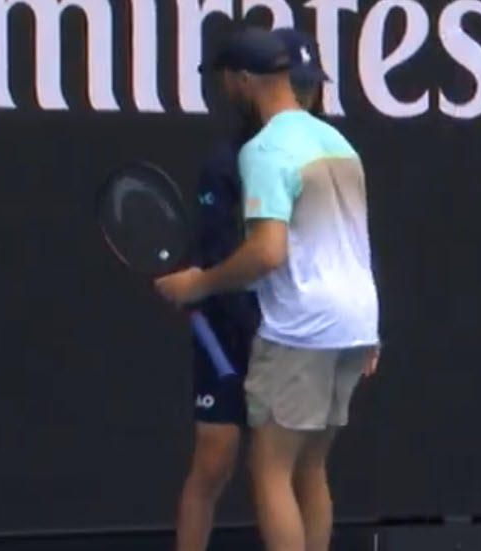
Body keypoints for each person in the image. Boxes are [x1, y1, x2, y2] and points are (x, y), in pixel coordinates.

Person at [156, 26, 381, 551]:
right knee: (310, 466)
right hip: (353, 323)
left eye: (226, 80)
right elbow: (353, 244)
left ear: (242, 79)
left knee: (272, 471)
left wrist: (200, 283)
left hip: (300, 326)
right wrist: (370, 329)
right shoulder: (338, 143)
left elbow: (267, 252)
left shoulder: (265, 150)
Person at [172, 27, 329, 551]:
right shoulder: (228, 162)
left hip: (295, 332)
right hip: (232, 332)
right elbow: (224, 256)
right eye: (295, 86)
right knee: (214, 461)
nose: (303, 99)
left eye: (310, 88)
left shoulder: (325, 156)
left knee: (301, 466)